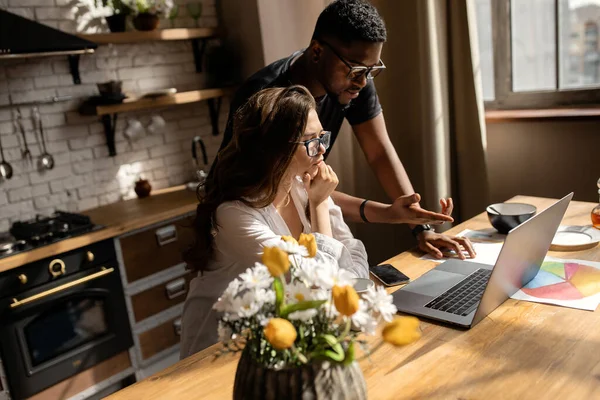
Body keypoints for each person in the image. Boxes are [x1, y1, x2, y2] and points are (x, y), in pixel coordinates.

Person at [215, 0, 476, 260]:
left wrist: (420, 226)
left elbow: (379, 152)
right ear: (317, 52)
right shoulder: (266, 97)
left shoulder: (354, 81)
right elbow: (275, 187)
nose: (363, 81)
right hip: (256, 226)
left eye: (372, 70)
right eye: (357, 69)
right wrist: (322, 201)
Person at [180, 86, 369, 358]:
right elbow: (319, 286)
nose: (322, 150)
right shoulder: (235, 214)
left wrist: (346, 287)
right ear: (274, 150)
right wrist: (318, 205)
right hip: (221, 346)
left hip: (280, 337)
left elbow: (352, 255)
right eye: (309, 141)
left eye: (322, 137)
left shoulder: (304, 185)